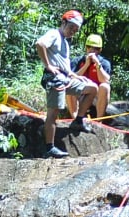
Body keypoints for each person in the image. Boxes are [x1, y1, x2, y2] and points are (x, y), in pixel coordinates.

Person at [36, 10, 97, 157]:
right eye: (71, 28)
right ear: (64, 23)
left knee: (92, 88)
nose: (73, 32)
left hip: (65, 78)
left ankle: (79, 120)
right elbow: (40, 44)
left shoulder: (65, 41)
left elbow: (64, 65)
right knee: (53, 112)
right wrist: (48, 65)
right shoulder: (54, 34)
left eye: (75, 30)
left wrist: (74, 75)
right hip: (54, 79)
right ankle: (49, 147)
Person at [76, 33, 112, 121]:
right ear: (86, 48)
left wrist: (97, 64)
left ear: (100, 50)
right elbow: (72, 77)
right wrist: (86, 65)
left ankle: (99, 121)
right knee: (70, 85)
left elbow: (105, 80)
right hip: (82, 95)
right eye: (89, 47)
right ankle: (76, 118)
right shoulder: (78, 61)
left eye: (96, 49)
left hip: (97, 97)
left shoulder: (104, 63)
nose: (92, 50)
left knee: (105, 86)